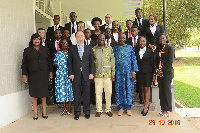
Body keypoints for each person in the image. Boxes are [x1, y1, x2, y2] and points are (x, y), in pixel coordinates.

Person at [21, 33, 53, 120]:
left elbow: (49, 61)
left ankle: (44, 111)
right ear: (32, 40)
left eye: (38, 39)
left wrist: (51, 71)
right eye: (35, 39)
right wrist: (24, 75)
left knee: (44, 94)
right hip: (33, 74)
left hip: (44, 73)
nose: (37, 40)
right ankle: (35, 112)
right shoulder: (27, 50)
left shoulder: (45, 49)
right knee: (34, 94)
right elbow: (24, 64)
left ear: (41, 40)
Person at [68, 31, 95, 120]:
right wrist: (71, 73)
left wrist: (91, 73)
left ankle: (86, 112)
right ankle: (77, 112)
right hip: (75, 75)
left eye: (82, 36)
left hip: (86, 75)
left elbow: (92, 62)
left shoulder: (89, 48)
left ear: (84, 37)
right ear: (76, 38)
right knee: (77, 94)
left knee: (87, 94)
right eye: (78, 36)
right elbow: (70, 63)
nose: (80, 38)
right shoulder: (72, 49)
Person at [113, 33, 138, 116]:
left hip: (128, 72)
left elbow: (133, 60)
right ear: (118, 39)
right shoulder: (114, 49)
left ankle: (128, 108)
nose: (121, 39)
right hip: (118, 72)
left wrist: (134, 72)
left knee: (129, 89)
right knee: (119, 89)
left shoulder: (130, 48)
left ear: (125, 39)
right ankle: (121, 108)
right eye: (120, 38)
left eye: (123, 38)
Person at [93, 34, 115, 117]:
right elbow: (91, 62)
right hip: (97, 75)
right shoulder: (94, 49)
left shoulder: (109, 49)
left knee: (108, 92)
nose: (101, 40)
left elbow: (112, 61)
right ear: (97, 40)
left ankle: (108, 109)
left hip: (108, 75)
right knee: (98, 93)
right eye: (100, 39)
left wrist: (113, 73)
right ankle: (99, 110)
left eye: (103, 39)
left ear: (105, 39)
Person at [135, 36, 155, 116]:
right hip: (139, 73)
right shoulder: (136, 51)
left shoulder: (150, 51)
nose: (141, 43)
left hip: (148, 73)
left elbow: (153, 64)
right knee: (142, 89)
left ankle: (145, 107)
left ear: (146, 42)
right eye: (140, 41)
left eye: (143, 41)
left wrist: (154, 75)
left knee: (146, 89)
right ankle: (145, 105)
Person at [53, 38, 74, 116]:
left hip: (70, 74)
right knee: (62, 92)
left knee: (70, 91)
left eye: (66, 43)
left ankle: (69, 109)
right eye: (63, 43)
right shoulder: (57, 54)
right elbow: (55, 64)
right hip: (61, 75)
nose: (65, 44)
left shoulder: (71, 53)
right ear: (60, 44)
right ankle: (64, 109)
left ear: (68, 44)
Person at [155, 33, 174, 117]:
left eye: (163, 38)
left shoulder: (170, 48)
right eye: (160, 39)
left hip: (167, 72)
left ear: (166, 39)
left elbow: (170, 61)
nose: (161, 40)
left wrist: (162, 70)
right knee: (161, 91)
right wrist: (157, 70)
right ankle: (163, 109)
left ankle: (167, 110)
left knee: (166, 91)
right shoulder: (158, 49)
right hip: (160, 73)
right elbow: (155, 61)